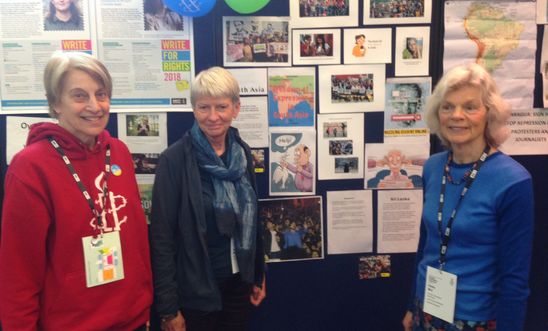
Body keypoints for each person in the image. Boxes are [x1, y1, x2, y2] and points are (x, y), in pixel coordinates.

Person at [0, 51, 153, 330]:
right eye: (80, 95)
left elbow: (137, 238)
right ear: (56, 103)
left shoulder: (118, 152)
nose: (95, 106)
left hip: (133, 319)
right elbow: (18, 270)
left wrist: (144, 301)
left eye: (101, 93)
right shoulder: (31, 166)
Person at [402, 63, 534, 331]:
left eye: (470, 107)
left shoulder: (513, 180)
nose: (456, 115)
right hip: (425, 309)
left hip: (476, 320)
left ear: (490, 114)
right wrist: (410, 306)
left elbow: (515, 278)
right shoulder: (433, 167)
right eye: (447, 106)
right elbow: (427, 242)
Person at [150, 66, 266, 331]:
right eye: (204, 107)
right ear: (194, 110)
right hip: (195, 291)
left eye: (221, 107)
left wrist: (258, 273)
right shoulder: (175, 160)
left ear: (236, 109)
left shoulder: (242, 153)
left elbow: (253, 219)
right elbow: (162, 238)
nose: (213, 116)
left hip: (239, 283)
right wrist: (168, 309)